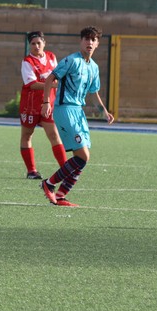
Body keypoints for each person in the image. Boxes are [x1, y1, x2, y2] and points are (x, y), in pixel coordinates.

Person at [40, 26, 114, 207]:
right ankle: (48, 184)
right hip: (64, 109)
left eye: (93, 39)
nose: (89, 42)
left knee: (83, 157)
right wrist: (46, 103)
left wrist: (104, 111)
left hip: (79, 112)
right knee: (82, 156)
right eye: (86, 39)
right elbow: (50, 79)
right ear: (81, 41)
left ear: (97, 43)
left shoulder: (94, 67)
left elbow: (94, 92)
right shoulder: (71, 60)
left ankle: (61, 195)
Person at [19, 31, 67, 179]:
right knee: (27, 135)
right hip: (30, 106)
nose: (36, 46)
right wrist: (53, 85)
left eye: (39, 43)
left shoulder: (51, 57)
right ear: (29, 45)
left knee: (54, 135)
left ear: (44, 43)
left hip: (48, 104)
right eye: (33, 43)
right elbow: (32, 84)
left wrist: (59, 84)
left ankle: (66, 169)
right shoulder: (27, 61)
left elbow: (58, 77)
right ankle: (31, 171)